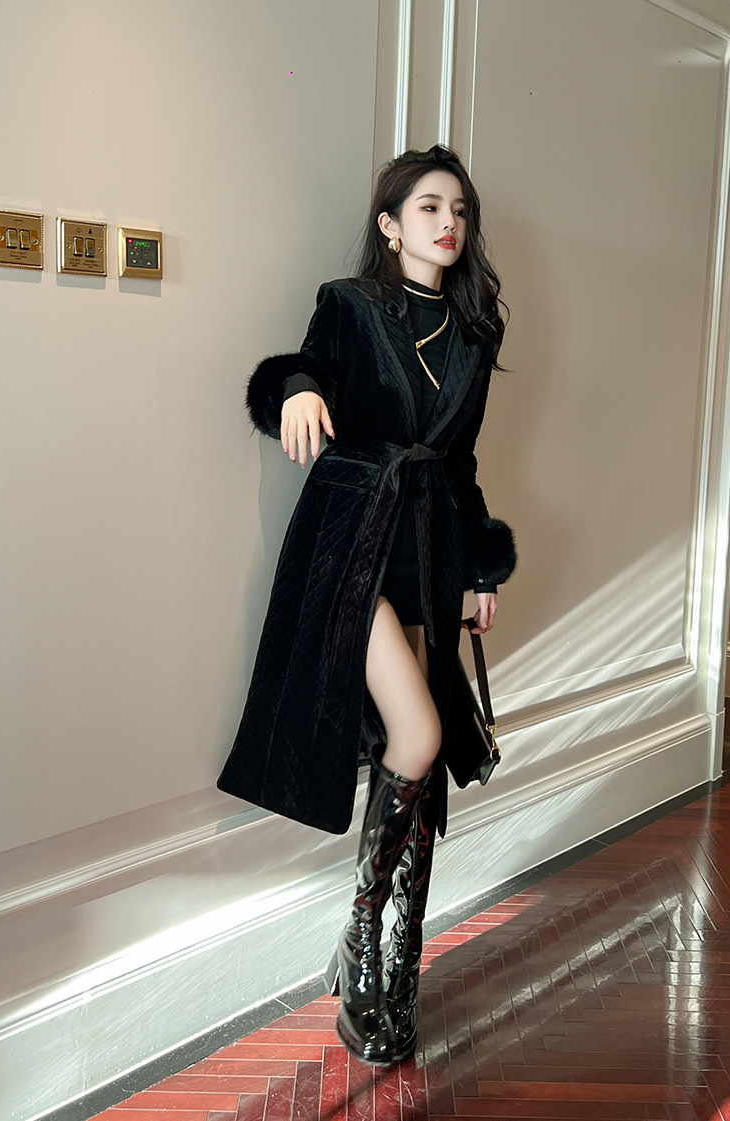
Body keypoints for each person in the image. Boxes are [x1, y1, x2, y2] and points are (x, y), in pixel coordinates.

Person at [217, 145, 516, 1066]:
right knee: (419, 736)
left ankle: (399, 954)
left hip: (429, 551)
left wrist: (481, 570)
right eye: (428, 207)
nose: (448, 222)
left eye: (458, 209)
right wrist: (299, 389)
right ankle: (360, 936)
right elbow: (292, 374)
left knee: (420, 773)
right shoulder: (348, 306)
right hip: (352, 543)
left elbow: (461, 465)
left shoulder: (474, 334)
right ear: (390, 225)